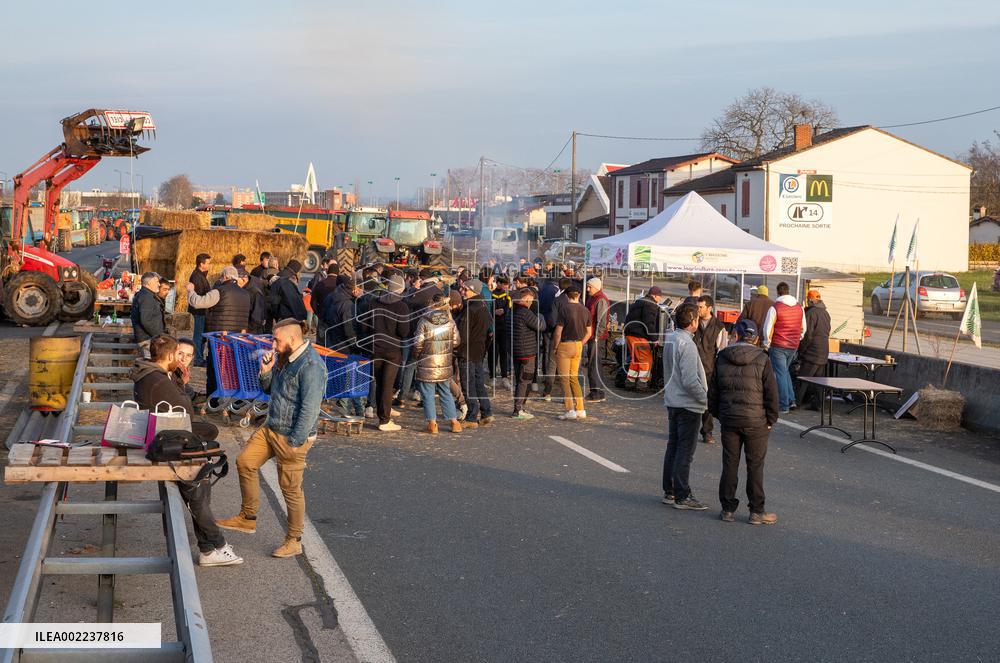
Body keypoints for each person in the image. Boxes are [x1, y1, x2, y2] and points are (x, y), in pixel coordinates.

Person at [217, 318, 327, 558]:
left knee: (290, 490)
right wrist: (266, 372)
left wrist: (295, 441)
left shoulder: (311, 366)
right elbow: (270, 390)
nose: (273, 345)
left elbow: (310, 409)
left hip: (291, 436)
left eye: (277, 340)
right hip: (271, 427)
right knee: (245, 462)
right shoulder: (286, 357)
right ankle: (247, 517)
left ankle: (294, 540)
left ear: (292, 338)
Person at [131, 335, 241, 566]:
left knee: (201, 479)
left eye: (188, 355)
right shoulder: (159, 380)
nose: (182, 359)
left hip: (165, 440)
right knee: (198, 487)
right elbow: (185, 412)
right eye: (179, 354)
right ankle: (215, 545)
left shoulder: (155, 375)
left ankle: (210, 548)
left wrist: (180, 383)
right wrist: (180, 386)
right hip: (168, 444)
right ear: (171, 355)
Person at [709, 320, 779, 525]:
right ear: (755, 338)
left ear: (736, 336)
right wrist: (771, 419)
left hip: (730, 419)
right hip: (756, 420)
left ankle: (727, 509)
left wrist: (719, 414)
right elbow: (771, 392)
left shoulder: (722, 357)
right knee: (755, 465)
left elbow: (713, 392)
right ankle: (756, 511)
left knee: (730, 463)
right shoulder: (763, 358)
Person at [661, 304, 709, 511]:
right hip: (687, 403)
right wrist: (705, 398)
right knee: (684, 451)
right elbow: (690, 381)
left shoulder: (671, 338)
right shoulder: (687, 344)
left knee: (673, 447)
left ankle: (670, 490)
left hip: (673, 399)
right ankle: (682, 494)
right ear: (693, 322)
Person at [411, 294, 463, 434]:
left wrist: (416, 357)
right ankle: (454, 422)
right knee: (445, 392)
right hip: (444, 363)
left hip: (427, 362)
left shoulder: (424, 321)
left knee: (427, 393)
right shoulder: (450, 321)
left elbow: (417, 344)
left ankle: (432, 424)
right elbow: (456, 341)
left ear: (431, 304)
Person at [369, 274, 411, 431]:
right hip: (393, 350)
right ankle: (385, 420)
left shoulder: (373, 303)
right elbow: (404, 331)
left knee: (380, 383)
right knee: (388, 384)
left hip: (375, 348)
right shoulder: (402, 306)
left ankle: (381, 414)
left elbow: (365, 325)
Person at [761, 282, 807, 414]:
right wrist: (798, 338)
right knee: (785, 371)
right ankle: (792, 400)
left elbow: (767, 327)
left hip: (778, 345)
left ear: (778, 292)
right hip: (793, 345)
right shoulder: (799, 307)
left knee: (780, 373)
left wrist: (766, 343)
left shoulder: (775, 307)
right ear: (788, 291)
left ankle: (783, 405)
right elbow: (803, 327)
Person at [455, 278, 493, 427]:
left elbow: (462, 335)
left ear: (473, 291)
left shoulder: (470, 309)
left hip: (467, 352)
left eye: (465, 289)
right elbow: (490, 331)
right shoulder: (483, 305)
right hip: (478, 351)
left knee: (468, 384)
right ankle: (486, 412)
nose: (462, 291)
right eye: (462, 288)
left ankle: (471, 418)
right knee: (478, 382)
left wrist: (455, 348)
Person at [553, 287, 592, 420]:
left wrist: (555, 346)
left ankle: (570, 409)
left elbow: (558, 331)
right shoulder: (585, 310)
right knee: (574, 377)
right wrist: (581, 343)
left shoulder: (564, 309)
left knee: (564, 379)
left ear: (566, 295)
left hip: (565, 345)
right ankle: (581, 409)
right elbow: (589, 332)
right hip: (578, 345)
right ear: (579, 295)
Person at [694, 294, 728, 445]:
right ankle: (688, 430)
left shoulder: (719, 327)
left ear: (709, 308)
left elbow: (722, 351)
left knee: (707, 403)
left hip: (709, 370)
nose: (698, 310)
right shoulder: (693, 323)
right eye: (697, 307)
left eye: (700, 307)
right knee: (690, 400)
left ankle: (707, 432)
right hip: (692, 367)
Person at [511, 288, 545, 419]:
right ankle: (518, 409)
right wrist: (541, 316)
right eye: (530, 300)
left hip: (516, 350)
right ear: (525, 299)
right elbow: (541, 326)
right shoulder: (525, 312)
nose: (531, 303)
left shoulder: (511, 311)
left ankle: (520, 407)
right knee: (525, 380)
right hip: (527, 352)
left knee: (520, 381)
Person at [623, 286, 665, 389]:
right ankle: (642, 382)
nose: (660, 299)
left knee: (636, 359)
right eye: (660, 297)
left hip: (629, 334)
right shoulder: (650, 304)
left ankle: (630, 380)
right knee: (646, 359)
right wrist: (654, 338)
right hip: (638, 335)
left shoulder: (639, 302)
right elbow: (649, 323)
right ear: (655, 295)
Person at [796, 290, 831, 410]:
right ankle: (819, 404)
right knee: (818, 381)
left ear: (810, 300)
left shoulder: (811, 313)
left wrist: (801, 350)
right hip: (823, 351)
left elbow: (808, 335)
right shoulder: (825, 313)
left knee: (803, 379)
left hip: (812, 352)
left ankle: (796, 402)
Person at [584, 277, 610, 402]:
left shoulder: (600, 299)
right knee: (593, 364)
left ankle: (597, 393)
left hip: (596, 337)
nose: (587, 289)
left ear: (596, 287)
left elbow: (601, 321)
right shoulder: (593, 298)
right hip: (592, 335)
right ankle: (597, 392)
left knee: (594, 364)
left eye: (590, 287)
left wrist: (596, 336)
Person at [131, 272, 165, 358]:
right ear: (149, 283)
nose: (159, 284)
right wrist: (158, 336)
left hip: (147, 337)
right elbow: (146, 320)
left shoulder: (145, 294)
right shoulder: (147, 297)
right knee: (150, 363)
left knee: (150, 362)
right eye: (156, 282)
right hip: (148, 339)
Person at [188, 254, 212, 366]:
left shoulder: (201, 275)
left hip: (202, 310)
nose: (209, 265)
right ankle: (197, 359)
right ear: (201, 264)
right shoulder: (196, 276)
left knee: (201, 335)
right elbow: (200, 295)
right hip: (199, 310)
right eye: (208, 263)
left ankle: (200, 357)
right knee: (198, 335)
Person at [491, 276, 512, 388]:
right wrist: (494, 312)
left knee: (504, 352)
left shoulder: (508, 296)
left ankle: (504, 377)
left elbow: (510, 308)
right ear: (498, 283)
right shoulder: (491, 295)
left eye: (506, 284)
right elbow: (488, 309)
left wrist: (504, 310)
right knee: (493, 352)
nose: (505, 286)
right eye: (503, 284)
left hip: (504, 327)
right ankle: (493, 377)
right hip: (494, 327)